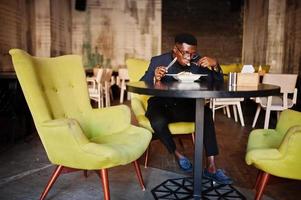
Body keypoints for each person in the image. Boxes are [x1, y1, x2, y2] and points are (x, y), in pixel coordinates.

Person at [140, 33, 233, 184]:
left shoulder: (198, 61)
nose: (190, 57)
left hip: (185, 105)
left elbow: (217, 82)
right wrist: (155, 78)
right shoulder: (159, 60)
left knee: (206, 113)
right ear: (175, 49)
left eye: (193, 53)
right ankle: (177, 155)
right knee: (157, 120)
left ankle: (211, 167)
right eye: (185, 53)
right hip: (161, 105)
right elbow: (143, 83)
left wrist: (215, 64)